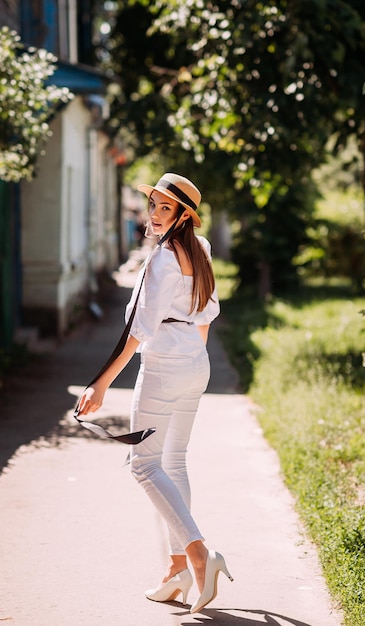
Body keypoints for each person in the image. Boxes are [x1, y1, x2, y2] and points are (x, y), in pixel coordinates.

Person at [76, 172, 233, 613]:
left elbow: (138, 331)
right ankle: (175, 569)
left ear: (184, 215)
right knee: (173, 460)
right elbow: (206, 313)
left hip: (165, 365)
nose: (155, 214)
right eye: (154, 205)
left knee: (143, 464)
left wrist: (100, 384)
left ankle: (199, 555)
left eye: (166, 208)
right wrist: (191, 363)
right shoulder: (199, 250)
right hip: (193, 362)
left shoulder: (165, 258)